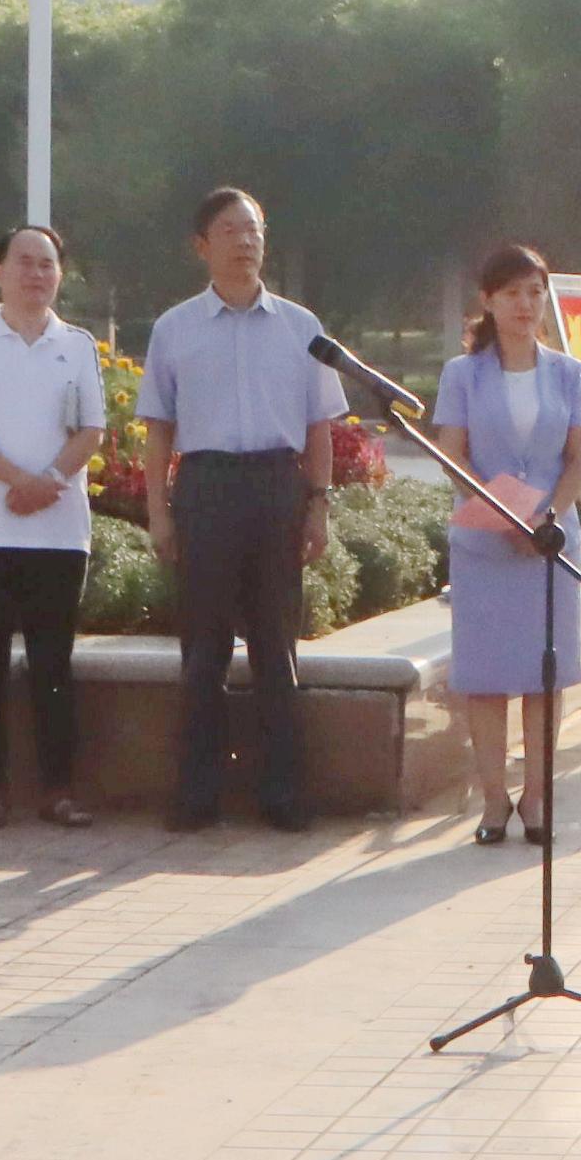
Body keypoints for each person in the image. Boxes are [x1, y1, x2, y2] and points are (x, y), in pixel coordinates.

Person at [137, 186, 342, 834]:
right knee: (203, 653)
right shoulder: (174, 329)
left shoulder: (302, 328)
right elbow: (158, 430)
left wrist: (318, 505)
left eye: (253, 229)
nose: (245, 241)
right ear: (202, 245)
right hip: (207, 488)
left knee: (277, 649)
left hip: (278, 486)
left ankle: (282, 795)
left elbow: (319, 427)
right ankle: (197, 795)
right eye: (230, 230)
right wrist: (159, 512)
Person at [0, 222, 109, 830]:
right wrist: (20, 482)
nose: (36, 274)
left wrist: (49, 481)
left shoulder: (78, 345)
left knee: (52, 664)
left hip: (58, 531)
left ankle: (59, 790)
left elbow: (92, 430)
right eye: (24, 262)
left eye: (47, 264)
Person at [440, 242, 581, 845]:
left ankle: (536, 797)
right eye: (512, 293)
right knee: (485, 677)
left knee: (543, 676)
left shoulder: (569, 372)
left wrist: (547, 517)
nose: (525, 304)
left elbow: (578, 457)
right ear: (488, 300)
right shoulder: (462, 374)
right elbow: (451, 455)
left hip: (548, 545)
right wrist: (504, 515)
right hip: (486, 544)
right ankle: (492, 801)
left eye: (535, 292)